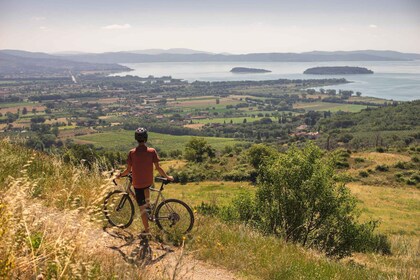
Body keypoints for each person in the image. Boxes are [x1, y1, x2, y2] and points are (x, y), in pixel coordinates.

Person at [116, 127, 173, 235]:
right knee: (146, 200)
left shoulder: (132, 153)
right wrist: (167, 176)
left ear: (136, 139)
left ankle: (147, 232)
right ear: (146, 138)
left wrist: (120, 175)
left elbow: (128, 170)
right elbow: (158, 168)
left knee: (142, 209)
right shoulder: (152, 151)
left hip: (137, 184)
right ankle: (149, 210)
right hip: (148, 182)